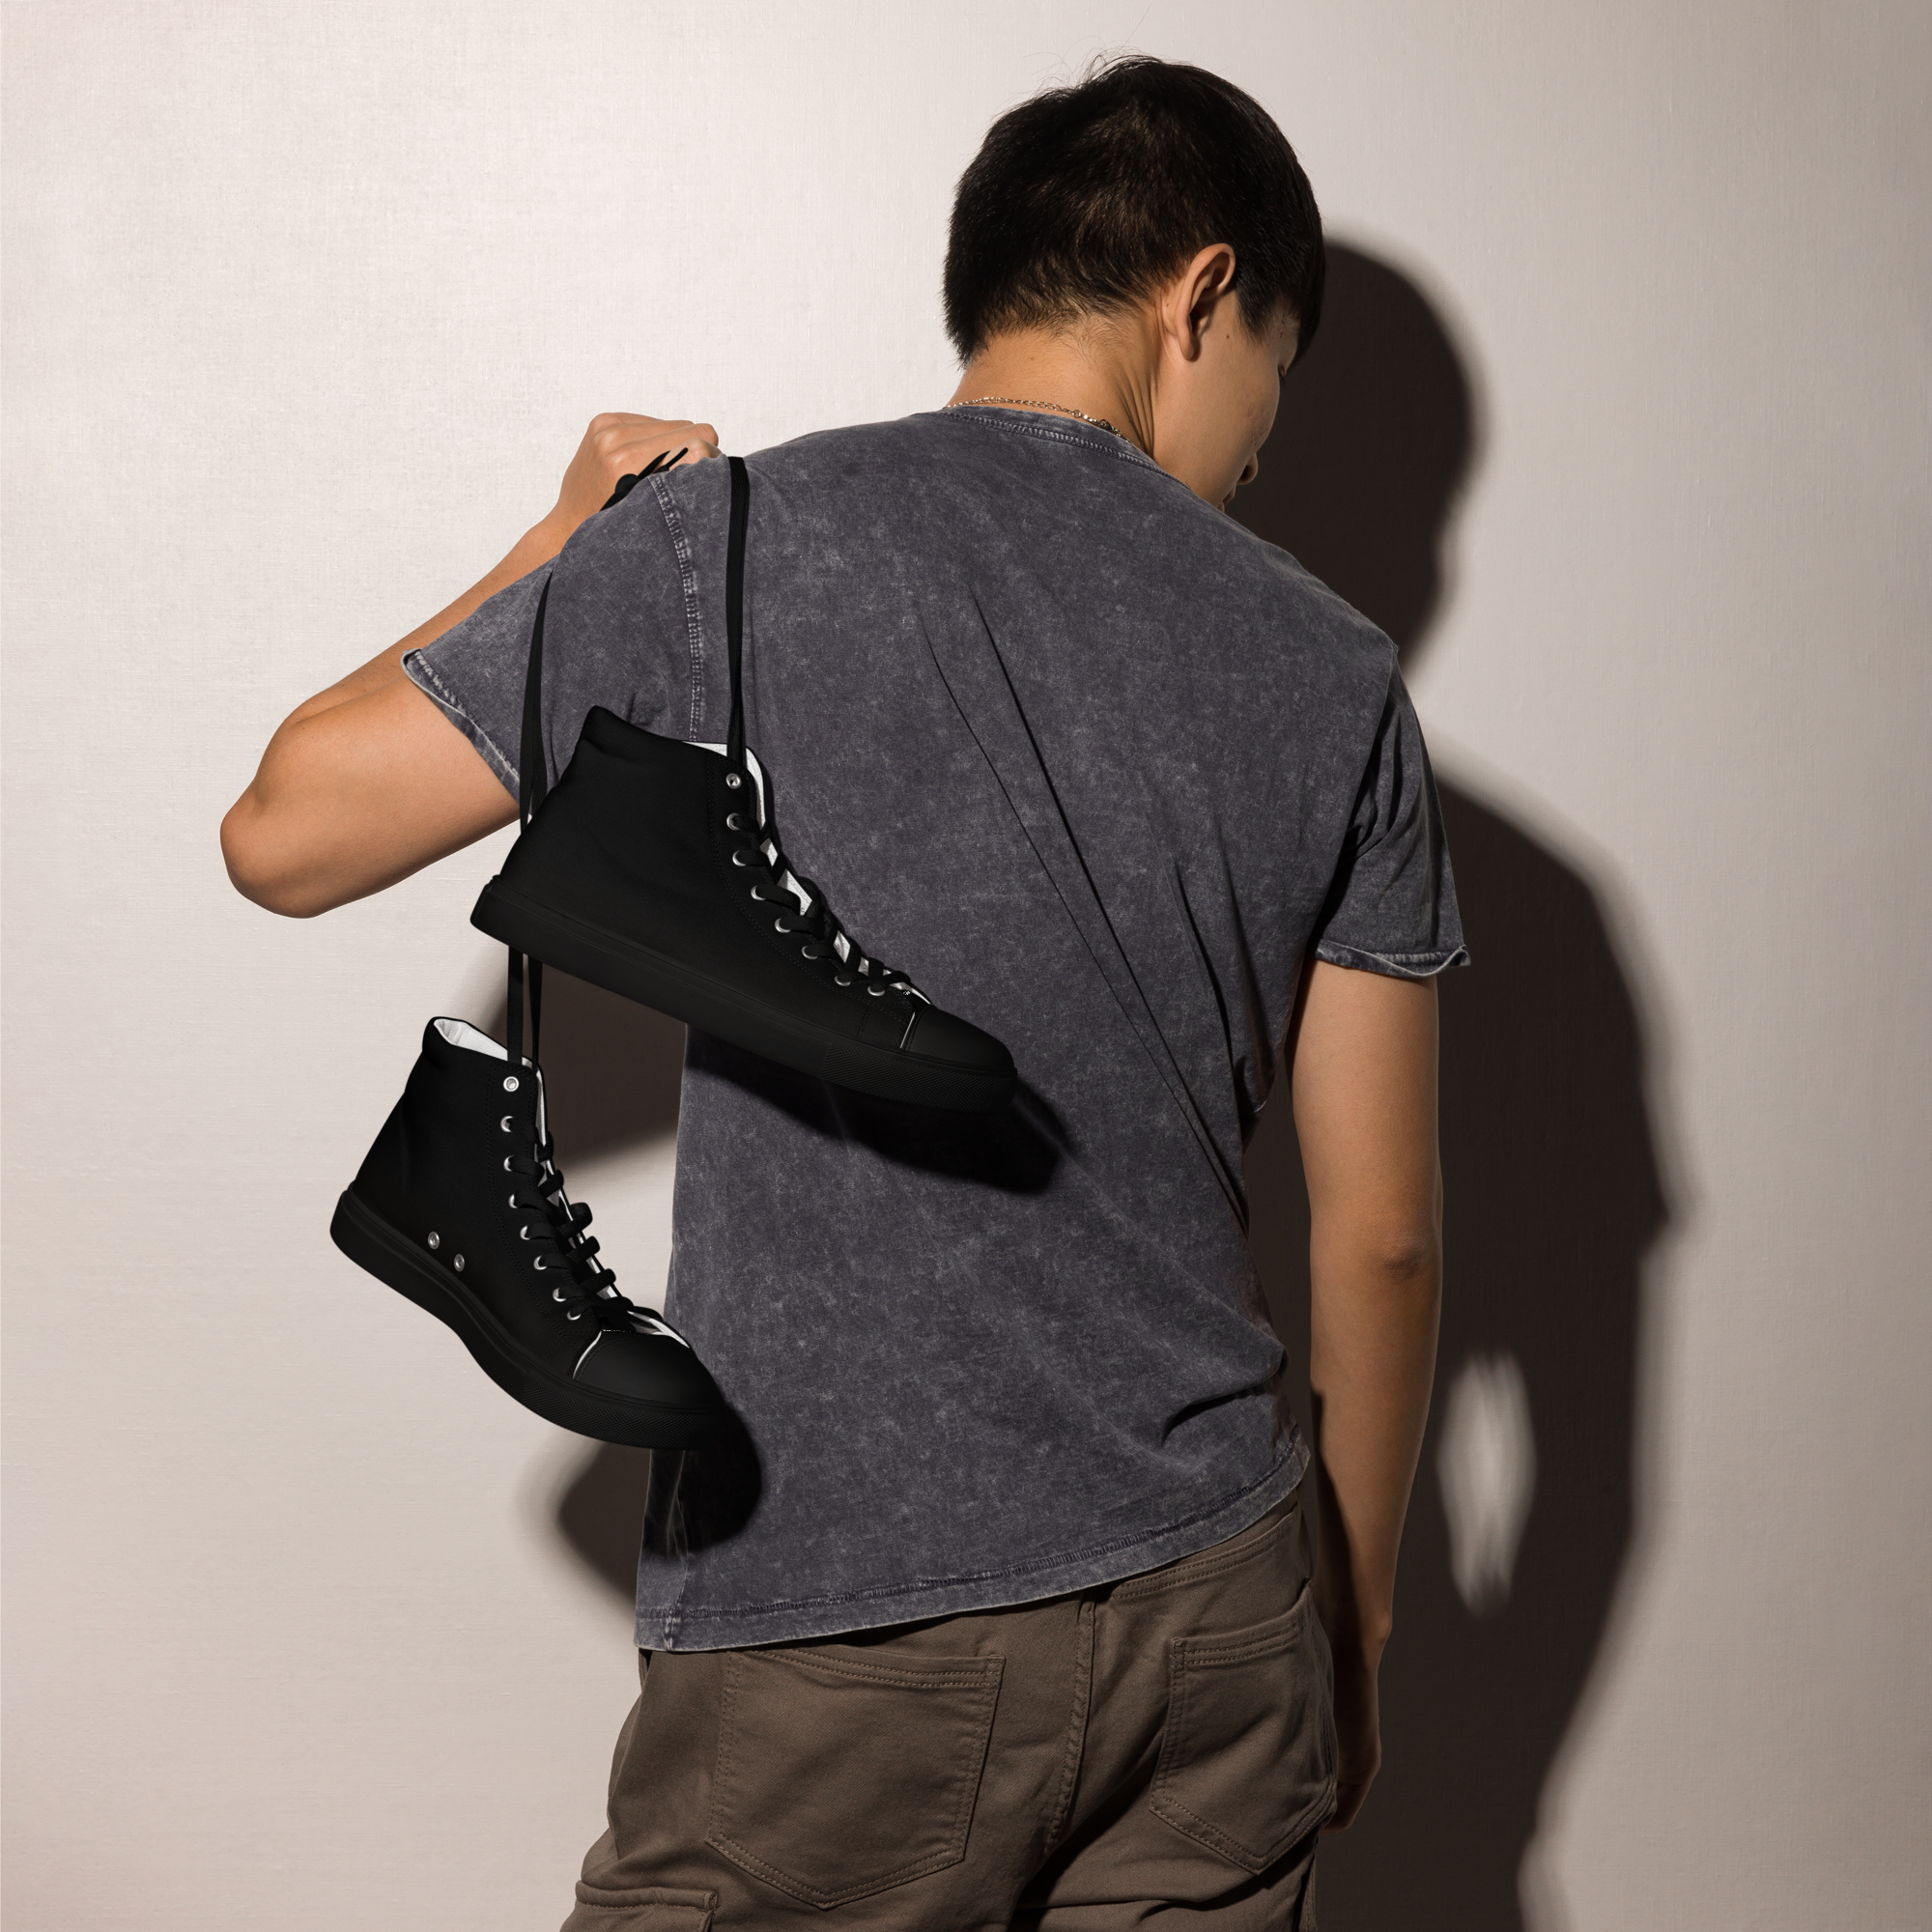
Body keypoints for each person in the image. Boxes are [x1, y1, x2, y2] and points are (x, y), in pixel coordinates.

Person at [221, 54, 1463, 1932]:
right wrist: (1346, 1624)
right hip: (1215, 1605)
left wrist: (562, 549)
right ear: (1202, 295)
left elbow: (287, 832)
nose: (1255, 449)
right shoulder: (1334, 670)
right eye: (1273, 384)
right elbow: (1381, 1236)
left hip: (837, 1611)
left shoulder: (721, 549)